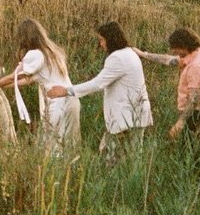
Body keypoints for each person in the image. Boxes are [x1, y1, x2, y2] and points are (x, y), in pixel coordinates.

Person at [47, 21, 152, 162]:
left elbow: (97, 84)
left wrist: (66, 91)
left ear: (111, 39)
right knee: (132, 159)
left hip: (126, 118)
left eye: (102, 40)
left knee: (112, 159)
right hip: (137, 114)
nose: (101, 44)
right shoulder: (130, 53)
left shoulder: (117, 58)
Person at [0, 18, 79, 154]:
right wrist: (1, 86)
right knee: (70, 146)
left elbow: (15, 76)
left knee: (52, 148)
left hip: (57, 103)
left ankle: (52, 174)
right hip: (72, 100)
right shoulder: (54, 51)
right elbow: (28, 80)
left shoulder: (36, 54)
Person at [134, 27, 200, 156]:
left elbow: (194, 99)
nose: (173, 50)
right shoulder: (195, 54)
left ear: (185, 45)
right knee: (191, 155)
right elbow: (169, 60)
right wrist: (144, 54)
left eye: (176, 47)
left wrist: (180, 122)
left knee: (193, 158)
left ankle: (198, 177)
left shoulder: (198, 66)